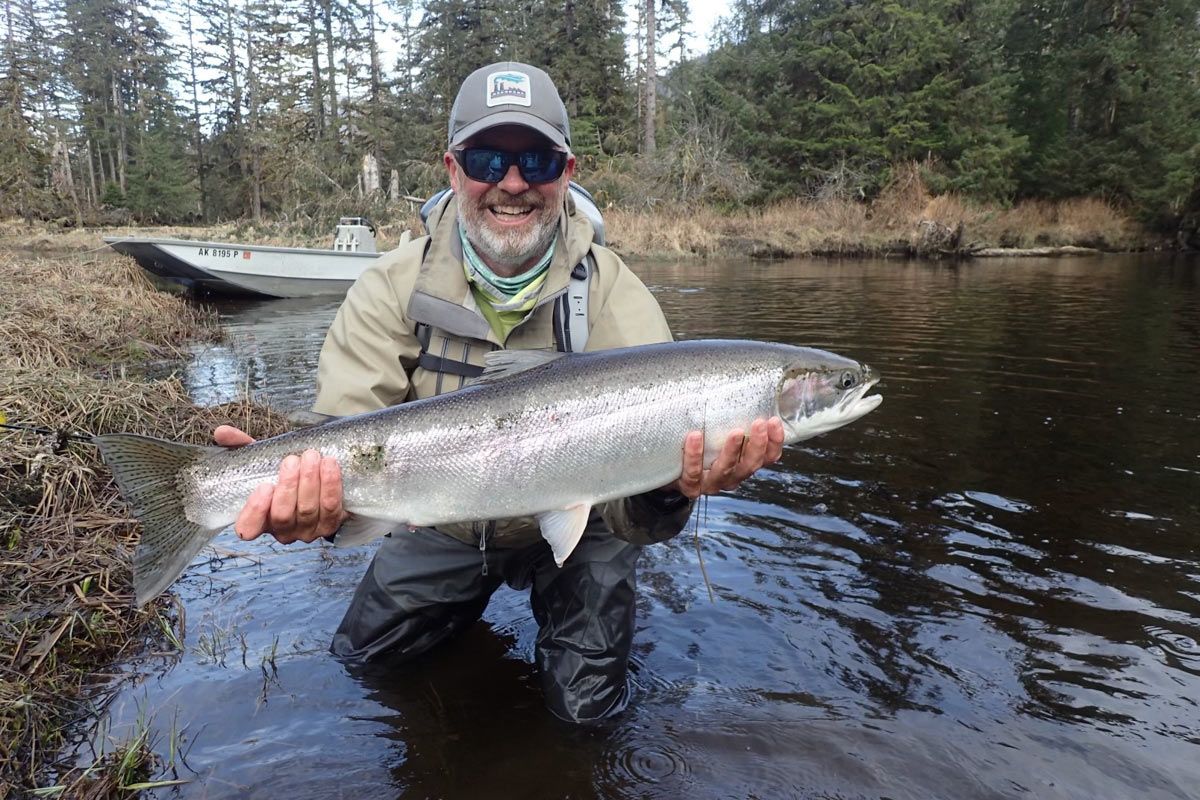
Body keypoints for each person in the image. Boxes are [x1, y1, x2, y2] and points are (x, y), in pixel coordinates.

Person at [214, 62, 785, 722]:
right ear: (453, 169)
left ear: (566, 172)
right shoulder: (390, 288)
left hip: (585, 529)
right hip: (444, 517)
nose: (512, 183)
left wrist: (669, 490)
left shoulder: (616, 297)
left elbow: (640, 519)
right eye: (488, 159)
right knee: (365, 662)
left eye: (536, 161)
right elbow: (347, 435)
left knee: (587, 711)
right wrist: (312, 500)